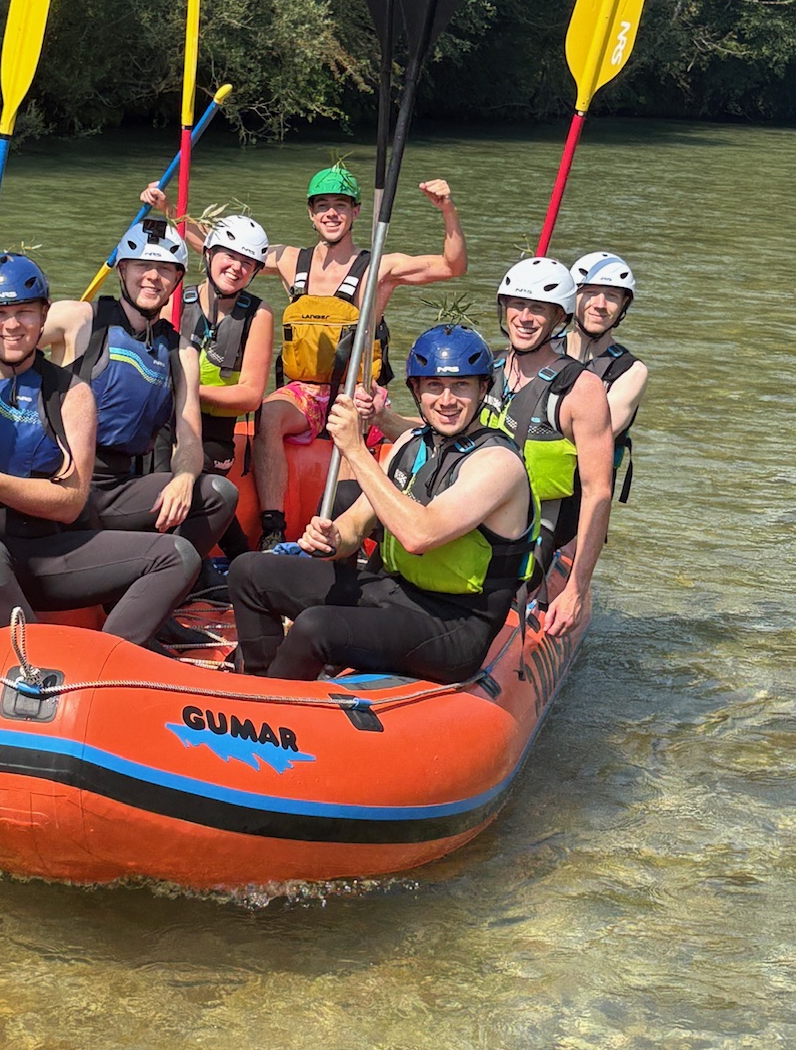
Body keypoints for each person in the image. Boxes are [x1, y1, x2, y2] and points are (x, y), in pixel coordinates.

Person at [0, 253, 205, 644]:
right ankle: (27, 664)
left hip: (38, 550)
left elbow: (70, 502)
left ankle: (104, 665)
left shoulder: (70, 393)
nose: (12, 325)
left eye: (25, 312)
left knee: (178, 556)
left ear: (44, 316)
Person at [152, 163, 468, 547]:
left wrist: (447, 208)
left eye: (340, 205)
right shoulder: (289, 260)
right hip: (304, 391)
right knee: (268, 412)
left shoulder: (380, 266)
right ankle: (272, 527)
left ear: (355, 212)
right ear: (311, 214)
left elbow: (453, 266)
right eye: (322, 206)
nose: (331, 213)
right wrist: (168, 209)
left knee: (348, 422)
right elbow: (225, 251)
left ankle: (345, 534)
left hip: (356, 389)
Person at [227, 326, 535, 681]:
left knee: (315, 627)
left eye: (461, 386)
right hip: (395, 591)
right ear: (417, 390)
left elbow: (420, 535)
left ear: (483, 389)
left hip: (455, 624)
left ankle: (274, 709)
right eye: (434, 386)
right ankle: (260, 681)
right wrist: (331, 539)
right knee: (249, 572)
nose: (447, 400)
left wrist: (356, 450)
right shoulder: (411, 444)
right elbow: (355, 526)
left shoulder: (498, 463)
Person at [40, 217, 239, 569]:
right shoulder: (77, 319)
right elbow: (0, 338)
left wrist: (184, 478)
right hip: (62, 478)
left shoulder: (183, 353)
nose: (152, 277)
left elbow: (189, 439)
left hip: (119, 486)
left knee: (220, 494)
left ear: (177, 280)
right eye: (142, 266)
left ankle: (165, 575)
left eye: (164, 269)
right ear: (121, 269)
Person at [486, 258, 615, 639]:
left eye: (538, 309)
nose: (524, 317)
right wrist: (383, 419)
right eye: (516, 305)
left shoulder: (581, 389)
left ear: (560, 318)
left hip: (531, 528)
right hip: (467, 505)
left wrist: (576, 588)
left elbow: (598, 492)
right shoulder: (487, 369)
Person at [177, 214, 276, 561]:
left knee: (188, 474)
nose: (236, 268)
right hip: (169, 424)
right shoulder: (176, 301)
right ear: (207, 254)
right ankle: (236, 556)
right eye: (229, 256)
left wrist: (188, 391)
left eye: (247, 263)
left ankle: (218, 558)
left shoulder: (258, 315)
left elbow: (250, 394)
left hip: (214, 435)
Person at [565, 250, 647, 501]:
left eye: (611, 296)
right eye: (589, 292)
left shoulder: (631, 371)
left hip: (582, 493)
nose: (599, 304)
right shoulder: (540, 350)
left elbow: (592, 435)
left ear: (623, 305)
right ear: (572, 297)